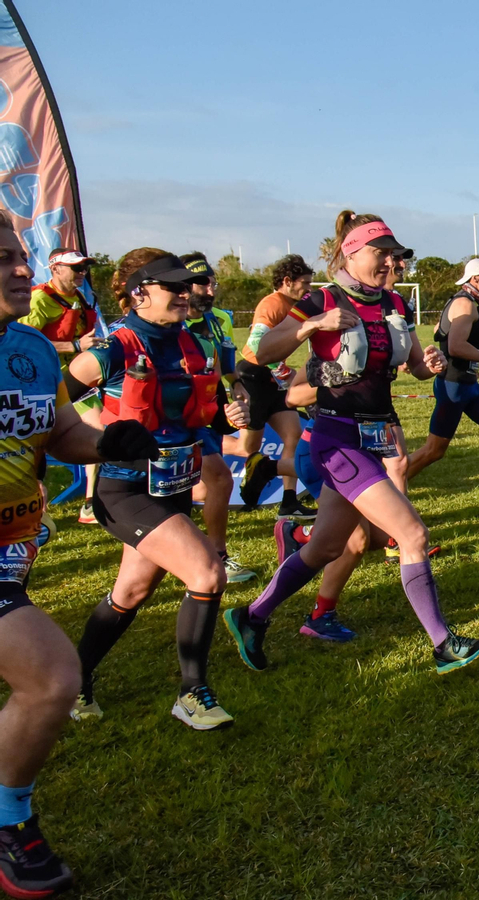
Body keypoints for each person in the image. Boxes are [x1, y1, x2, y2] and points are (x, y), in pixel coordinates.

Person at [221, 211, 479, 675]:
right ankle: (443, 644)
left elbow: (416, 367)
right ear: (351, 252)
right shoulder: (320, 298)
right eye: (380, 254)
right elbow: (259, 353)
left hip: (378, 432)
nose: (389, 263)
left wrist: (432, 361)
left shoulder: (395, 304)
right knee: (412, 535)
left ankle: (251, 615)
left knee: (325, 547)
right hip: (336, 437)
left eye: (394, 256)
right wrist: (311, 324)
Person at [0, 220, 155, 900]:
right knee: (54, 678)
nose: (20, 269)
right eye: (4, 258)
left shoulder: (30, 347)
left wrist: (109, 442)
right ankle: (9, 825)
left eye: (19, 255)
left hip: (15, 552)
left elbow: (59, 430)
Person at [67, 248, 245, 731]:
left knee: (133, 589)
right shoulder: (117, 347)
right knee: (207, 573)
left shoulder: (189, 342)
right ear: (139, 293)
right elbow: (61, 393)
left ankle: (75, 680)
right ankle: (192, 693)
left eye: (187, 287)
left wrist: (231, 410)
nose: (185, 295)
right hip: (125, 491)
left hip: (174, 485)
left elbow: (207, 406)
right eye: (174, 287)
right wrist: (98, 427)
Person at [404, 257, 479, 523]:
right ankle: (385, 488)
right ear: (475, 280)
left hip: (468, 385)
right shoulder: (465, 303)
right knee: (434, 451)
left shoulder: (469, 303)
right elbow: (456, 345)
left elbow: (440, 331)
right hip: (453, 386)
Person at [177, 253, 261, 585]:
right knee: (214, 481)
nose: (210, 290)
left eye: (213, 283)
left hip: (206, 415)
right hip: (176, 417)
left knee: (214, 481)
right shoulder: (173, 323)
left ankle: (213, 556)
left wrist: (239, 388)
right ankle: (211, 558)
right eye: (203, 283)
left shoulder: (218, 320)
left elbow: (228, 367)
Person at [26, 248, 104, 527]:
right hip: (45, 382)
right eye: (75, 268)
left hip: (78, 380)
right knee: (34, 444)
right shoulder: (39, 299)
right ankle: (34, 508)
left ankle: (90, 503)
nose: (81, 273)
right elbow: (26, 341)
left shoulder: (82, 297)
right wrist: (73, 346)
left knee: (99, 432)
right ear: (55, 269)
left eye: (84, 268)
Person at [237, 254, 317, 519]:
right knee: (247, 449)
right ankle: (205, 443)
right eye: (304, 283)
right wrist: (287, 374)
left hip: (272, 380)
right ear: (287, 281)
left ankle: (289, 501)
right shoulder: (271, 304)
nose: (309, 289)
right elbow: (259, 348)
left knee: (293, 435)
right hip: (253, 377)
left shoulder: (295, 305)